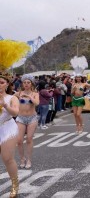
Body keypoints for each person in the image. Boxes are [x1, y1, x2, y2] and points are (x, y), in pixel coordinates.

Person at [0, 39, 29, 197]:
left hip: (7, 128)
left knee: (7, 158)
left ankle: (14, 186)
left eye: (1, 82)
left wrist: (5, 106)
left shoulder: (12, 97)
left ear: (6, 84)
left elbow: (15, 113)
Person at [14, 74, 39, 169]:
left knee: (29, 139)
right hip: (20, 118)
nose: (26, 84)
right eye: (24, 82)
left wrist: (28, 97)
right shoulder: (18, 93)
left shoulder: (35, 94)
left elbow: (37, 103)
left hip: (32, 118)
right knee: (19, 140)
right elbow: (10, 100)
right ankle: (22, 159)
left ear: (31, 83)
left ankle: (29, 159)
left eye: (28, 82)